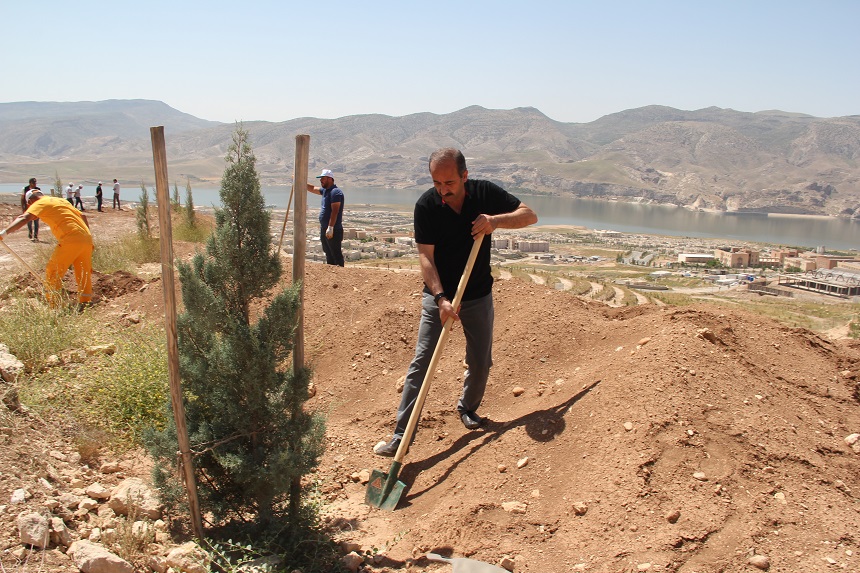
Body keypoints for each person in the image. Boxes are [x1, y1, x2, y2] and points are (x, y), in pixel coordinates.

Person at [374, 148, 538, 457]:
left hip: (478, 294)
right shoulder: (426, 205)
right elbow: (425, 256)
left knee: (480, 360)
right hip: (438, 295)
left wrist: (494, 221)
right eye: (436, 183)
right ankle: (401, 436)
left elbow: (530, 215)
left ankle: (468, 408)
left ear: (464, 176)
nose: (442, 190)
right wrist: (440, 298)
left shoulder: (484, 193)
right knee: (421, 363)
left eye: (449, 182)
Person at [0, 190, 94, 307]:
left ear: (30, 201)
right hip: (86, 238)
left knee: (52, 271)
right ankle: (86, 302)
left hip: (71, 237)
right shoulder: (60, 200)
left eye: (29, 205)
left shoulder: (39, 203)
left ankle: (54, 305)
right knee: (83, 272)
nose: (30, 207)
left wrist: (3, 233)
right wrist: (87, 237)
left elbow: (24, 217)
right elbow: (83, 216)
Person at [306, 168, 345, 266]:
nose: (321, 180)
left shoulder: (335, 192)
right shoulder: (325, 191)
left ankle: (340, 274)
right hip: (325, 229)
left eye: (323, 178)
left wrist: (330, 227)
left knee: (336, 254)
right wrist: (300, 182)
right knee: (328, 253)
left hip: (333, 229)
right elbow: (313, 188)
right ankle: (332, 272)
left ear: (330, 179)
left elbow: (335, 211)